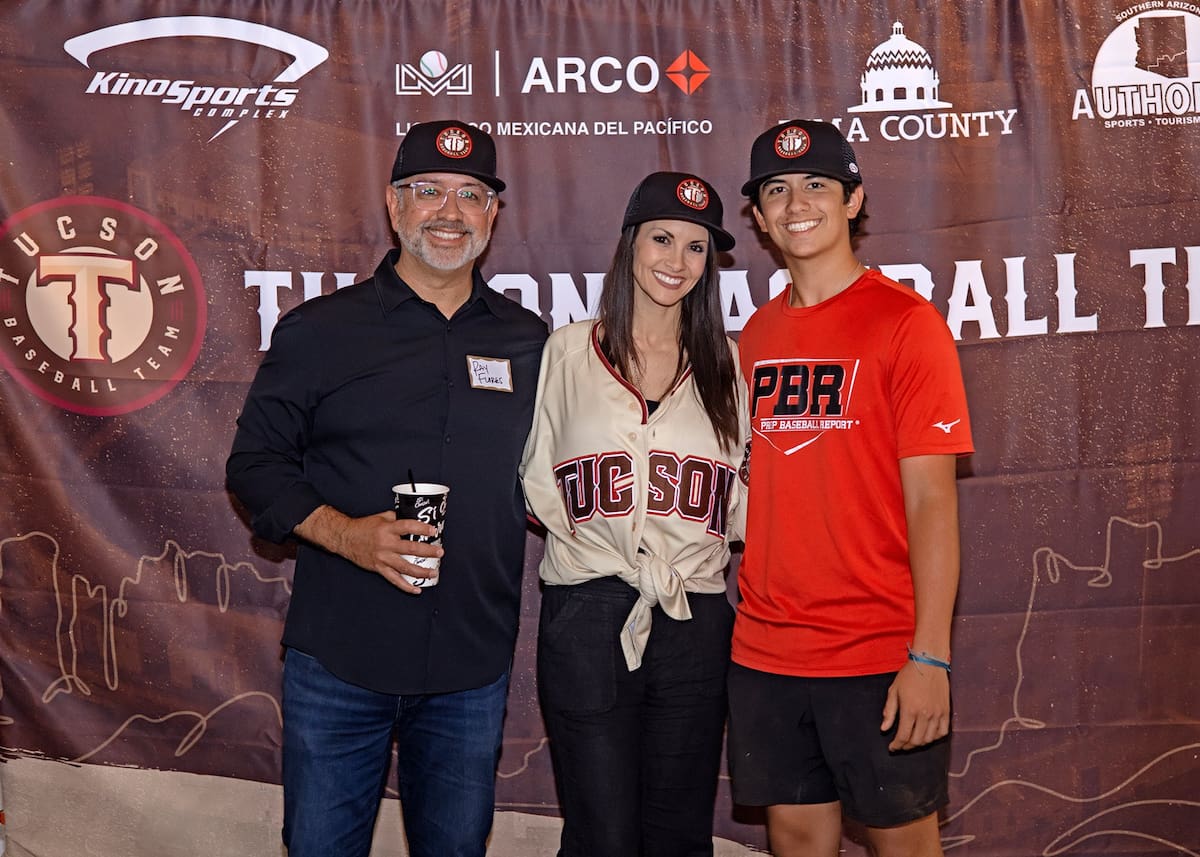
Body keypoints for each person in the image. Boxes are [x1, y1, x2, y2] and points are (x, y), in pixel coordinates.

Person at [225, 120, 547, 857]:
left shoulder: (533, 343)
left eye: (471, 195)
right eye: (427, 190)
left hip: (469, 663)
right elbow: (256, 464)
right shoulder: (319, 330)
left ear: (493, 214)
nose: (449, 211)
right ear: (394, 206)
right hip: (342, 654)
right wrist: (348, 534)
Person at [727, 119, 974, 857]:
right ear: (760, 216)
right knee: (797, 843)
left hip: (877, 653)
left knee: (904, 845)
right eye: (776, 189)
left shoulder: (906, 324)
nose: (796, 203)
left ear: (853, 198)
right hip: (766, 651)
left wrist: (929, 656)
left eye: (816, 185)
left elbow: (934, 500)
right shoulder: (756, 336)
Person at [520, 171, 748, 857]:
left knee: (678, 835)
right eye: (662, 238)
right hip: (589, 610)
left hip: (695, 613)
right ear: (630, 244)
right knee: (604, 836)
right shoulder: (567, 350)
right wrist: (606, 552)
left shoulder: (726, 363)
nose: (676, 261)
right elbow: (536, 480)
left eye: (697, 247)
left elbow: (740, 498)